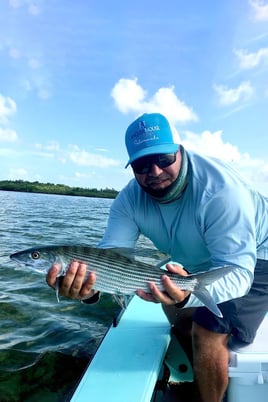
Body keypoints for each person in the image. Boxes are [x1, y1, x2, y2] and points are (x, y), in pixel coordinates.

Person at [46, 113, 268, 402]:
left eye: (163, 159)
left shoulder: (221, 192)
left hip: (257, 255)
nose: (154, 171)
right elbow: (108, 258)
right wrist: (87, 291)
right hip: (202, 259)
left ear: (180, 150)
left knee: (207, 329)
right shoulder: (128, 200)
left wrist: (188, 296)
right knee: (174, 313)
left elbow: (238, 272)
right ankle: (199, 375)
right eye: (141, 164)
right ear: (131, 167)